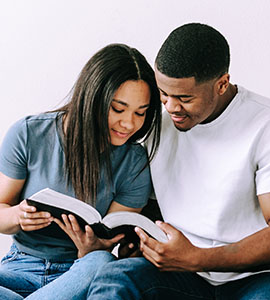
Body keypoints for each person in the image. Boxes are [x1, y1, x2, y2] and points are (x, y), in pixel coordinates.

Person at [60, 23, 270, 299]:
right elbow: (148, 205)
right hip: (179, 271)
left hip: (260, 278)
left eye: (184, 98)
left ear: (222, 84)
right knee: (116, 277)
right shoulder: (158, 124)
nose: (171, 107)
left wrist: (197, 257)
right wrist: (130, 240)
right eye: (163, 93)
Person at [0, 43, 161, 299]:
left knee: (101, 263)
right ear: (93, 97)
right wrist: (18, 216)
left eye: (140, 113)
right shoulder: (28, 134)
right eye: (118, 109)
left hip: (79, 271)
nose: (129, 123)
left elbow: (110, 234)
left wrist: (93, 248)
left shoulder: (134, 161)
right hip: (19, 266)